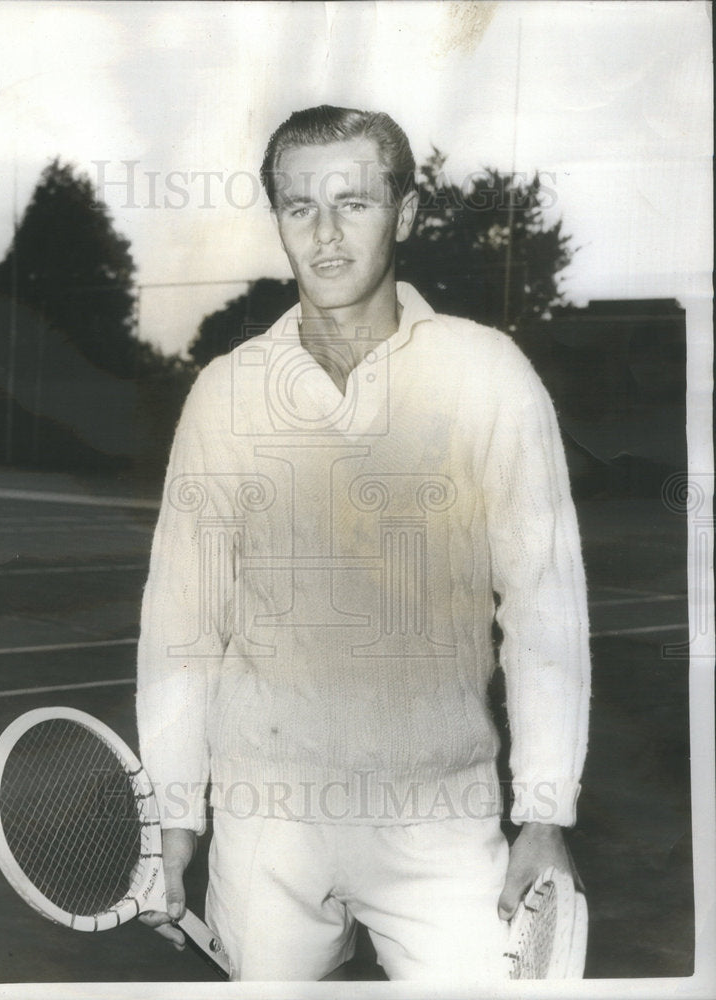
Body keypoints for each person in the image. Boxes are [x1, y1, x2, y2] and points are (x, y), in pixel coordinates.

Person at [136, 105, 590, 983]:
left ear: (407, 213)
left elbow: (543, 605)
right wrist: (177, 822)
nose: (327, 234)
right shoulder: (224, 395)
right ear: (276, 219)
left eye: (355, 202)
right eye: (300, 206)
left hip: (441, 819)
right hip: (266, 827)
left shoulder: (488, 373)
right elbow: (182, 624)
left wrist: (544, 816)